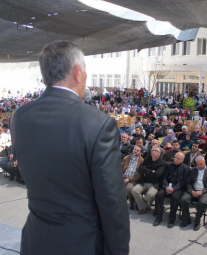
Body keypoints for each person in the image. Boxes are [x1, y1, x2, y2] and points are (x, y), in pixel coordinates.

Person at [10, 41, 129, 255]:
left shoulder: (20, 116)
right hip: (80, 245)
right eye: (85, 71)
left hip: (34, 241)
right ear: (77, 72)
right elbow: (112, 203)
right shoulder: (98, 123)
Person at [153, 152, 190, 228]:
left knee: (175, 197)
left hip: (178, 187)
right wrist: (166, 186)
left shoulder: (185, 168)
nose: (176, 160)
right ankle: (159, 217)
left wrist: (174, 188)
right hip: (168, 185)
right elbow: (165, 177)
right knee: (159, 195)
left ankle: (171, 219)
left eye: (178, 159)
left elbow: (183, 181)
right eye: (175, 158)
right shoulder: (169, 165)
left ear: (183, 160)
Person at [180, 156, 207, 231]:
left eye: (201, 164)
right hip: (193, 190)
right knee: (183, 199)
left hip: (204, 191)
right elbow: (188, 183)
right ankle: (186, 219)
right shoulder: (193, 170)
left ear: (205, 162)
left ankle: (197, 221)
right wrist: (192, 191)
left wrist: (202, 191)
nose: (199, 166)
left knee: (202, 202)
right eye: (197, 164)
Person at [131, 146, 166, 215]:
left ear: (159, 153)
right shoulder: (147, 159)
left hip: (154, 183)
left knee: (150, 194)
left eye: (156, 151)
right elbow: (140, 168)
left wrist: (146, 172)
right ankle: (145, 207)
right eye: (152, 150)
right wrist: (150, 171)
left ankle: (145, 206)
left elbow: (157, 174)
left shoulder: (162, 163)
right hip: (144, 181)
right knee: (134, 190)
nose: (153, 152)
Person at [122, 145, 144, 210]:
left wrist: (129, 179)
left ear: (140, 153)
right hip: (124, 177)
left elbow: (139, 174)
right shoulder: (126, 158)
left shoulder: (141, 160)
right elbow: (120, 168)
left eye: (137, 150)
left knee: (128, 189)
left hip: (133, 179)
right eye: (135, 149)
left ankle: (132, 203)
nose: (135, 151)